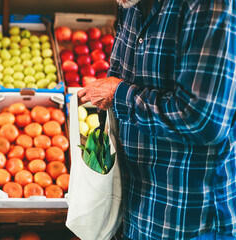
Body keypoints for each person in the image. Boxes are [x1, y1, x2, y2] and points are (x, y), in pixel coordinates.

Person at [78, 0, 236, 239]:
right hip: (137, 209)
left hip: (186, 219)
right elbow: (121, 74)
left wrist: (118, 93)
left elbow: (204, 120)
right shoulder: (131, 3)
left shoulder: (209, 5)